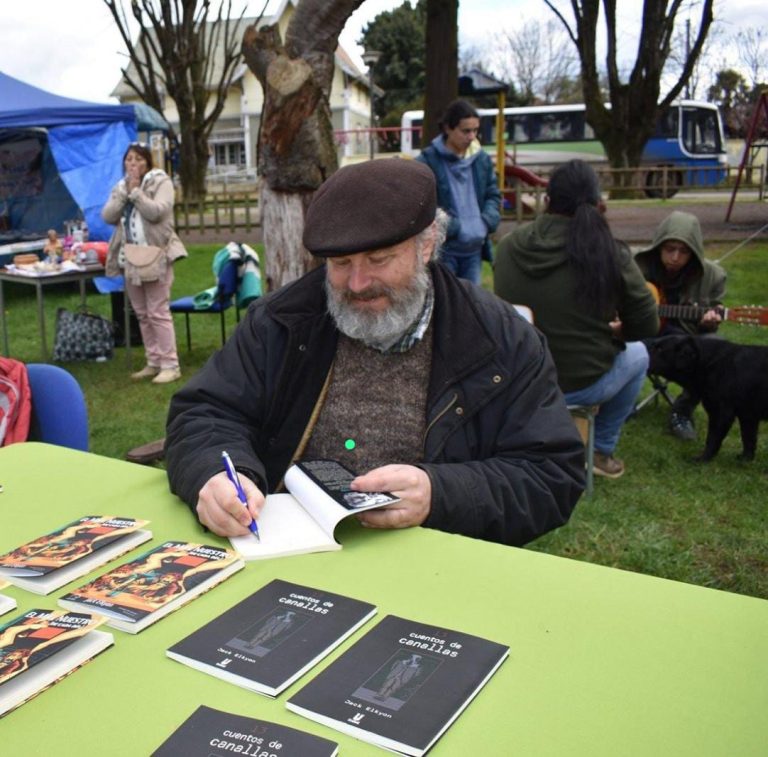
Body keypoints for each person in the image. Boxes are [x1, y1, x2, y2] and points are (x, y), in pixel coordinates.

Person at [165, 158, 584, 546]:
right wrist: (216, 473)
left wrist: (440, 494)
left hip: (436, 563)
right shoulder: (282, 320)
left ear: (427, 243)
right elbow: (205, 413)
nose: (358, 283)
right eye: (340, 263)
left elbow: (551, 476)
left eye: (379, 259)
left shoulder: (500, 339)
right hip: (287, 551)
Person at [494, 159, 660, 479]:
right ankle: (600, 451)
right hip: (579, 382)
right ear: (599, 205)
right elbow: (647, 325)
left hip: (517, 381)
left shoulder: (509, 247)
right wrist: (620, 331)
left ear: (546, 201)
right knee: (639, 354)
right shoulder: (609, 253)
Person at [634, 211, 726, 440]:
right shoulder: (636, 266)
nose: (675, 257)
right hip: (641, 336)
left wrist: (708, 324)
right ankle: (619, 404)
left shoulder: (713, 276)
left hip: (682, 343)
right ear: (659, 246)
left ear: (694, 252)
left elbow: (712, 322)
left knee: (716, 349)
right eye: (669, 249)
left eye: (683, 251)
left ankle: (682, 411)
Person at [101, 142, 187, 384]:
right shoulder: (120, 187)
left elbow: (158, 212)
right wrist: (124, 194)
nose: (133, 164)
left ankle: (171, 364)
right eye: (129, 160)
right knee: (141, 313)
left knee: (158, 311)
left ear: (148, 162)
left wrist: (137, 192)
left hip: (156, 254)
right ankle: (154, 361)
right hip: (129, 256)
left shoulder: (161, 182)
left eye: (138, 159)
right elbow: (108, 215)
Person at [416, 100, 501, 285]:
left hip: (475, 249)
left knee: (471, 304)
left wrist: (486, 221)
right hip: (445, 249)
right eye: (465, 131)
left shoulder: (482, 159)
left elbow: (493, 194)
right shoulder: (427, 162)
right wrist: (454, 227)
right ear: (448, 128)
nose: (472, 137)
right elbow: (423, 202)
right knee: (445, 305)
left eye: (475, 130)